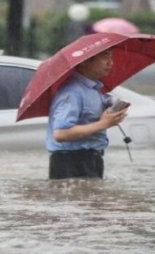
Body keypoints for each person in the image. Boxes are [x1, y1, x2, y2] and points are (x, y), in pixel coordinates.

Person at [46, 49, 128, 179]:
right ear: (85, 61)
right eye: (105, 57)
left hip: (91, 158)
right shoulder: (72, 92)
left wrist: (111, 113)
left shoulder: (94, 89)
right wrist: (103, 123)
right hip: (71, 161)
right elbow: (60, 133)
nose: (110, 63)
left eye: (111, 57)